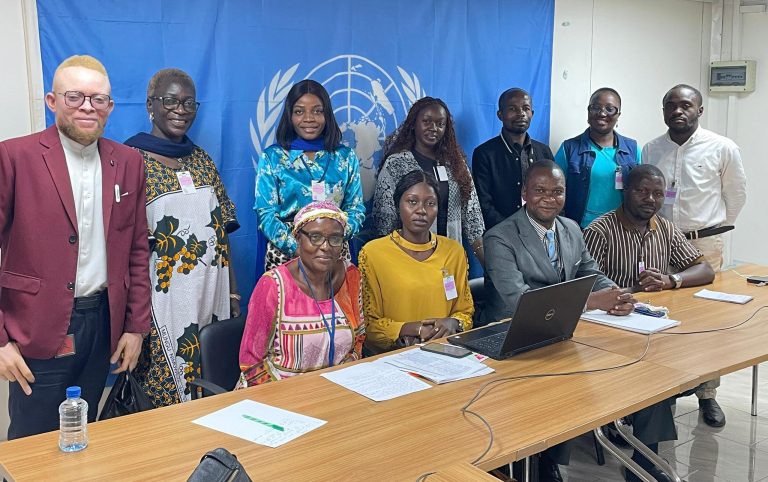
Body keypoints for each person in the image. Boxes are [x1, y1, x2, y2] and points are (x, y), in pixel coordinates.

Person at [0, 55, 150, 439]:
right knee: (33, 444)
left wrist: (135, 328)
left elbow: (137, 249)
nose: (87, 107)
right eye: (75, 97)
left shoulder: (129, 162)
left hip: (102, 325)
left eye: (98, 99)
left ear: (110, 106)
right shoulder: (14, 157)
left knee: (85, 435)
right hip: (36, 325)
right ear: (52, 101)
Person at [482, 160, 635, 481]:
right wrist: (593, 302)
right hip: (510, 337)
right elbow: (520, 301)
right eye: (540, 191)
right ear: (524, 193)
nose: (549, 199)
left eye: (557, 192)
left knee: (609, 363)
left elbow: (590, 273)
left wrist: (616, 294)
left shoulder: (571, 229)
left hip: (559, 331)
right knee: (564, 376)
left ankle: (552, 456)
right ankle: (531, 460)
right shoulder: (499, 237)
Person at [584, 164, 714, 482]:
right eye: (642, 191)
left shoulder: (665, 228)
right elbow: (585, 284)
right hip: (608, 333)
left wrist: (671, 280)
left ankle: (643, 459)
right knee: (655, 379)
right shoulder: (600, 230)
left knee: (669, 374)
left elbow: (705, 269)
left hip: (652, 331)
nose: (650, 199)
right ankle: (642, 454)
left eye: (657, 193)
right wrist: (628, 293)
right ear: (625, 190)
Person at [124, 68, 240, 407]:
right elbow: (123, 245)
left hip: (212, 293)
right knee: (164, 393)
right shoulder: (131, 160)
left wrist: (233, 291)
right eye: (171, 101)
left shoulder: (202, 160)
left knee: (212, 381)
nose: (180, 110)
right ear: (151, 105)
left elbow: (223, 230)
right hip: (162, 299)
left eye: (189, 103)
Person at [643, 83, 747, 428]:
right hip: (661, 243)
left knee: (707, 321)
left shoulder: (722, 147)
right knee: (663, 316)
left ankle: (707, 393)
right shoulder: (651, 148)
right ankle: (665, 391)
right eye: (671, 105)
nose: (678, 111)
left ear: (699, 110)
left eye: (685, 105)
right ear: (663, 111)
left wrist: (713, 229)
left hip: (704, 245)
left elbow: (736, 195)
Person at [238, 201, 364, 386]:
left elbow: (358, 340)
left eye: (335, 238)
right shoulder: (273, 285)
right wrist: (294, 397)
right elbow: (252, 362)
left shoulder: (350, 276)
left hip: (335, 390)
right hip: (277, 393)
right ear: (298, 238)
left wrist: (340, 385)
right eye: (315, 237)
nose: (326, 246)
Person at [255, 80, 365, 271]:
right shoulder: (273, 158)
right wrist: (298, 248)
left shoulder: (345, 157)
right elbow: (266, 214)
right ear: (289, 116)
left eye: (317, 111)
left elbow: (356, 209)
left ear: (327, 114)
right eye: (299, 111)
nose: (309, 118)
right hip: (287, 254)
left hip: (334, 253)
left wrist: (333, 241)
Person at [360, 170, 473, 353]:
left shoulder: (454, 252)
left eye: (430, 203)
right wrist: (412, 329)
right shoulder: (373, 253)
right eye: (412, 202)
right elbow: (369, 326)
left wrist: (453, 323)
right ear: (398, 205)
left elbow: (465, 313)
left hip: (445, 353)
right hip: (395, 357)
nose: (421, 211)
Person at [373, 97, 485, 265]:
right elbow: (384, 220)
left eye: (440, 124)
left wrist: (488, 264)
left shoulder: (455, 163)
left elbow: (472, 216)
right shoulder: (396, 163)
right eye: (426, 121)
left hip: (449, 256)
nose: (433, 128)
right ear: (414, 124)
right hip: (408, 257)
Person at [554, 88, 641, 228]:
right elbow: (553, 190)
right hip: (580, 228)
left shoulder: (633, 149)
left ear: (618, 114)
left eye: (610, 109)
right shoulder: (569, 148)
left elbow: (641, 191)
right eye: (595, 107)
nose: (602, 113)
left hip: (621, 229)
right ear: (588, 111)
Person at [472, 88, 554, 230]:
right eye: (512, 109)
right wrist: (513, 231)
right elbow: (483, 204)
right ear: (500, 115)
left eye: (526, 108)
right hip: (501, 233)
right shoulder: (484, 154)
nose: (521, 113)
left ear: (532, 114)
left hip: (540, 231)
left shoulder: (544, 151)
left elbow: (553, 194)